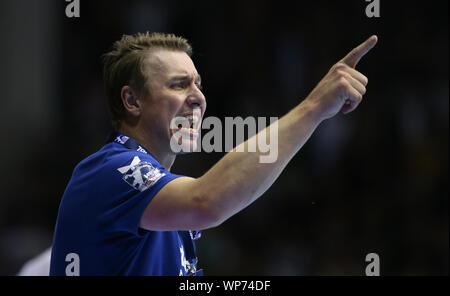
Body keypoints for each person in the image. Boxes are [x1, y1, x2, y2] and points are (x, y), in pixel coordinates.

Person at [50, 32, 378, 276]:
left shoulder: (164, 207)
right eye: (179, 85)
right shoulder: (108, 170)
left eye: (198, 85)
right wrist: (312, 108)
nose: (198, 98)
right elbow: (207, 202)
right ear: (132, 101)